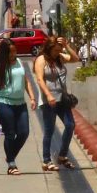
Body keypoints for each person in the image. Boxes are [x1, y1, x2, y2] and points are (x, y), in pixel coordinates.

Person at [0, 39, 37, 175]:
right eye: (11, 52)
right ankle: (11, 165)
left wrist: (32, 98)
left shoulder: (19, 62)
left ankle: (10, 155)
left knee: (24, 132)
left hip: (20, 103)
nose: (14, 54)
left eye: (15, 51)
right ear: (5, 52)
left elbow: (26, 81)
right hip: (3, 102)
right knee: (10, 133)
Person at [33, 35, 80, 171]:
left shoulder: (59, 57)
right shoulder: (41, 60)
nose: (57, 53)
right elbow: (40, 79)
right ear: (49, 48)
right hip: (49, 101)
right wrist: (48, 95)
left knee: (70, 125)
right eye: (55, 50)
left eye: (59, 50)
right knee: (49, 130)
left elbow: (75, 59)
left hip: (62, 99)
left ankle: (62, 156)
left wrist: (66, 46)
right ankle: (46, 160)